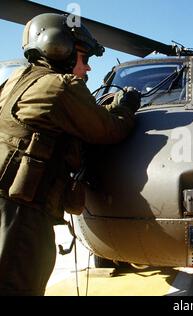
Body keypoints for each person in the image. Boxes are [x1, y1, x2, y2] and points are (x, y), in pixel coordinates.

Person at [0, 13, 141, 295]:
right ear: (59, 48)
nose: (88, 67)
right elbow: (109, 130)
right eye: (83, 56)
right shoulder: (61, 87)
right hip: (23, 214)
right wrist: (126, 107)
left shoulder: (17, 81)